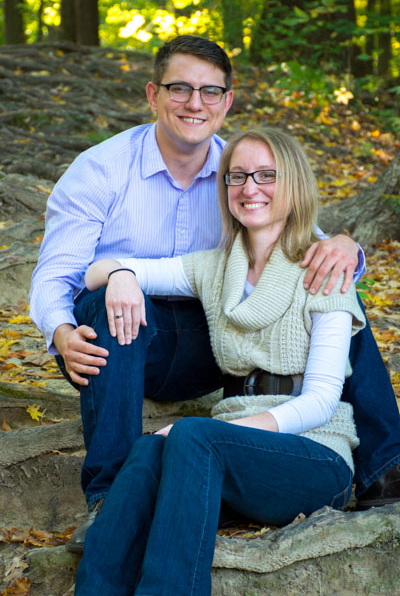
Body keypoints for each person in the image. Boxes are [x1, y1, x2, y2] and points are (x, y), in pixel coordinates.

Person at [29, 36, 400, 554]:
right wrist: (64, 329)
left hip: (215, 341)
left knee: (330, 280)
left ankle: (384, 467)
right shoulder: (101, 168)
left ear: (227, 101)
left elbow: (304, 245)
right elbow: (57, 273)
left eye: (210, 91)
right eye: (179, 88)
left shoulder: (240, 170)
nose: (194, 103)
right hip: (128, 337)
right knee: (104, 306)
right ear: (153, 95)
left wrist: (345, 247)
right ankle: (109, 499)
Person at [74, 127, 366, 595]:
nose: (250, 188)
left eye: (266, 175)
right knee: (146, 451)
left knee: (192, 436)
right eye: (237, 176)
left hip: (314, 457)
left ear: (293, 184)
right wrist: (123, 274)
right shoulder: (213, 268)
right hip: (224, 454)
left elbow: (321, 402)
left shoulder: (325, 271)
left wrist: (212, 433)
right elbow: (94, 272)